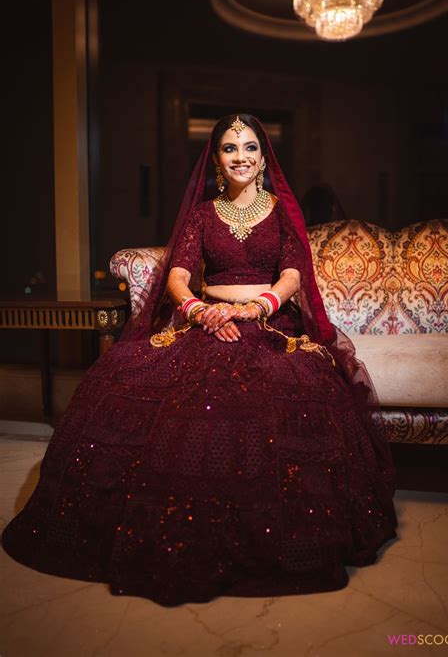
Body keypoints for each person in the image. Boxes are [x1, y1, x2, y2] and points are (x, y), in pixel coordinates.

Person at [1, 114, 398, 606]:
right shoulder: (203, 214)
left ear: (263, 156)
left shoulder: (280, 213)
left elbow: (293, 274)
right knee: (147, 385)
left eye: (250, 147)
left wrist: (256, 308)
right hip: (205, 319)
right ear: (216, 159)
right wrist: (200, 310)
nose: (241, 157)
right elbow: (178, 274)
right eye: (230, 148)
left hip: (270, 323)